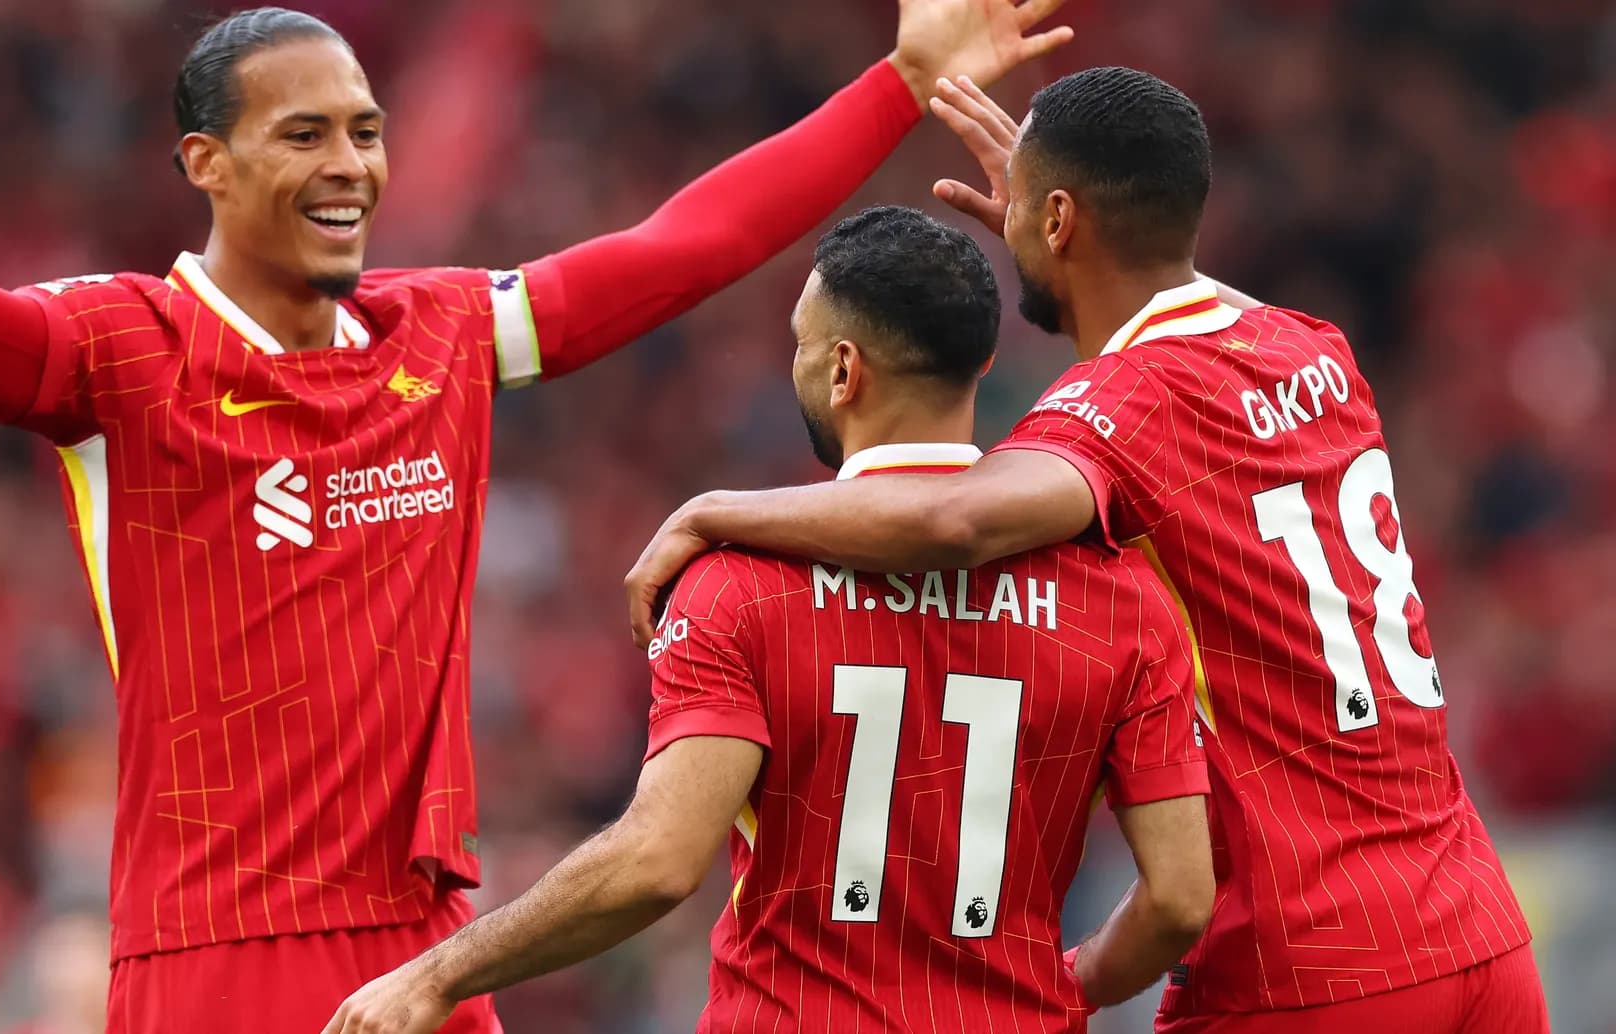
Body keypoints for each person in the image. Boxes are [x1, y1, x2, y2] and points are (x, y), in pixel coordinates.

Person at [0, 0, 1080, 1029]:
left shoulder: (441, 330)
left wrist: (898, 83)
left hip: (430, 944)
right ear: (204, 163)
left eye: (367, 129)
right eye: (306, 134)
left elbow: (686, 246)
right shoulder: (126, 348)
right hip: (221, 947)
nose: (351, 165)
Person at [623, 71, 1550, 1032]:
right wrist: (1066, 227)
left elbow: (954, 522)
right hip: (1481, 933)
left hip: (1305, 961)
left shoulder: (1113, 415)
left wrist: (714, 513)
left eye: (1022, 208)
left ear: (1060, 220)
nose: (1008, 222)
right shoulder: (1315, 347)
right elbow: (1180, 285)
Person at [323, 206, 1214, 1034]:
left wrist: (436, 975)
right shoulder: (1119, 597)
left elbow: (657, 862)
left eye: (800, 344)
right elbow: (1178, 896)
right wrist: (1056, 994)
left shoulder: (740, 582)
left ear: (842, 370)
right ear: (980, 364)